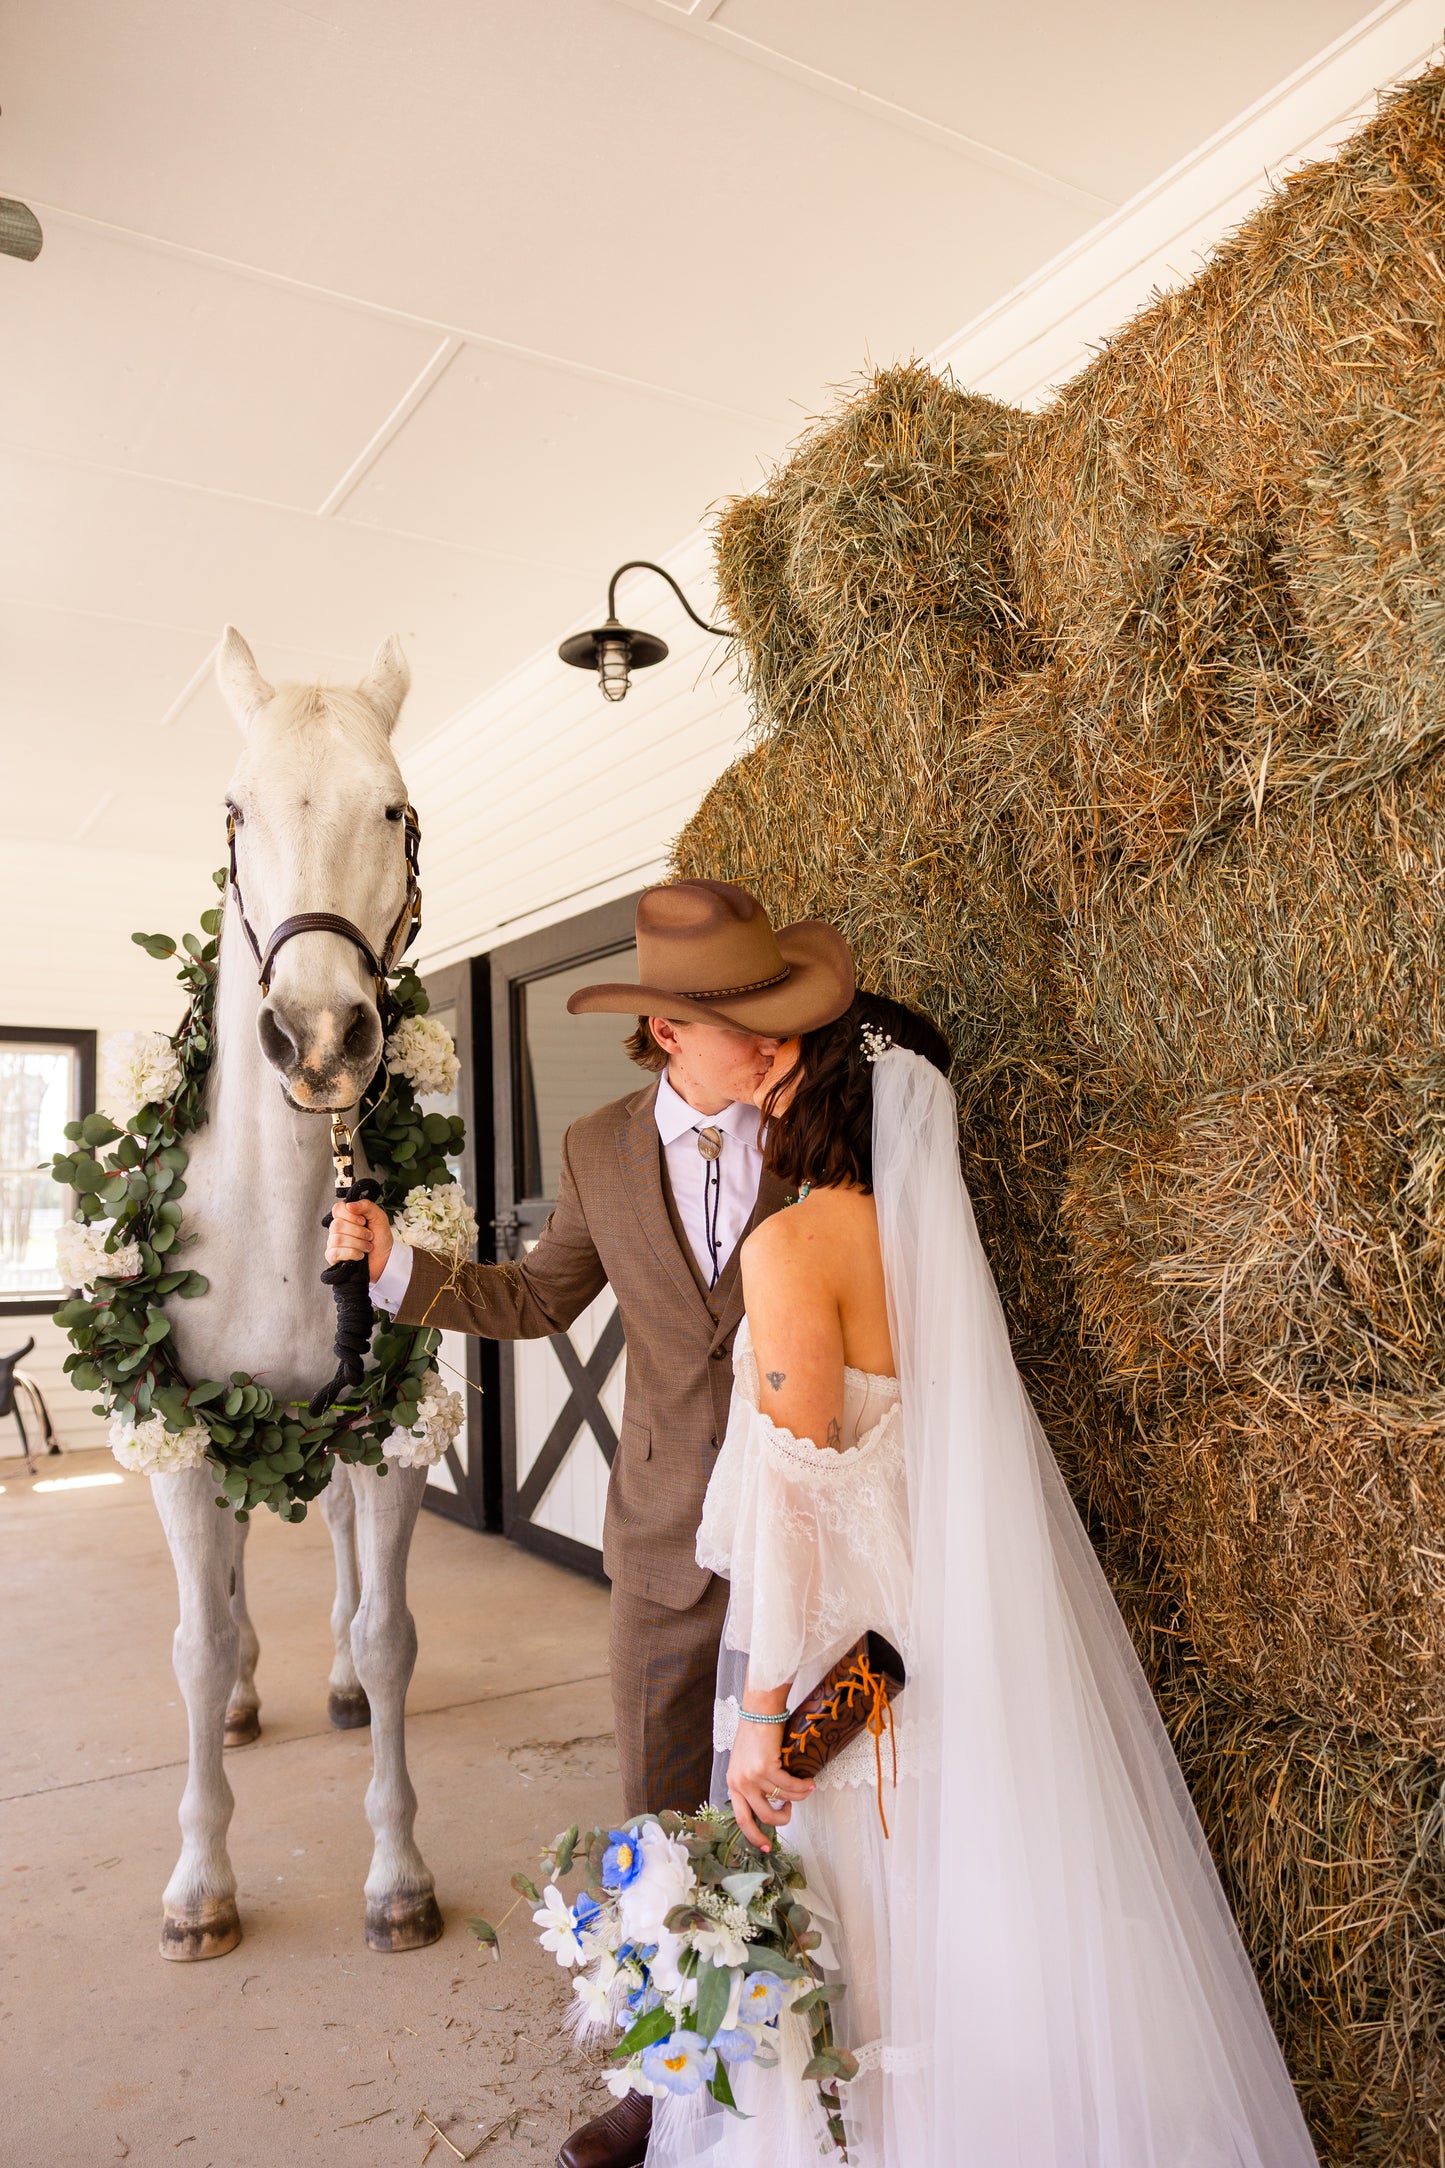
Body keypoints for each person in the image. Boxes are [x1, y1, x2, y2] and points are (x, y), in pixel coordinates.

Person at [645, 990, 1320, 2167]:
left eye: (780, 1058)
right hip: (943, 1633)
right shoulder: (928, 1257)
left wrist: (759, 1717)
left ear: (825, 1089)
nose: (759, 1071)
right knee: (969, 1957)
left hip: (846, 1682)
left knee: (862, 1971)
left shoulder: (793, 1245)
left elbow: (795, 1500)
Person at [324, 878, 854, 2168]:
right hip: (668, 1540)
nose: (778, 1044)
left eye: (780, 1019)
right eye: (749, 1023)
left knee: (816, 1809)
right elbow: (534, 1296)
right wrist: (393, 1264)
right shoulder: (599, 1146)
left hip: (826, 1535)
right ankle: (654, 2079)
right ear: (668, 1030)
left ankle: (820, 2069)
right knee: (657, 1820)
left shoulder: (824, 1126)